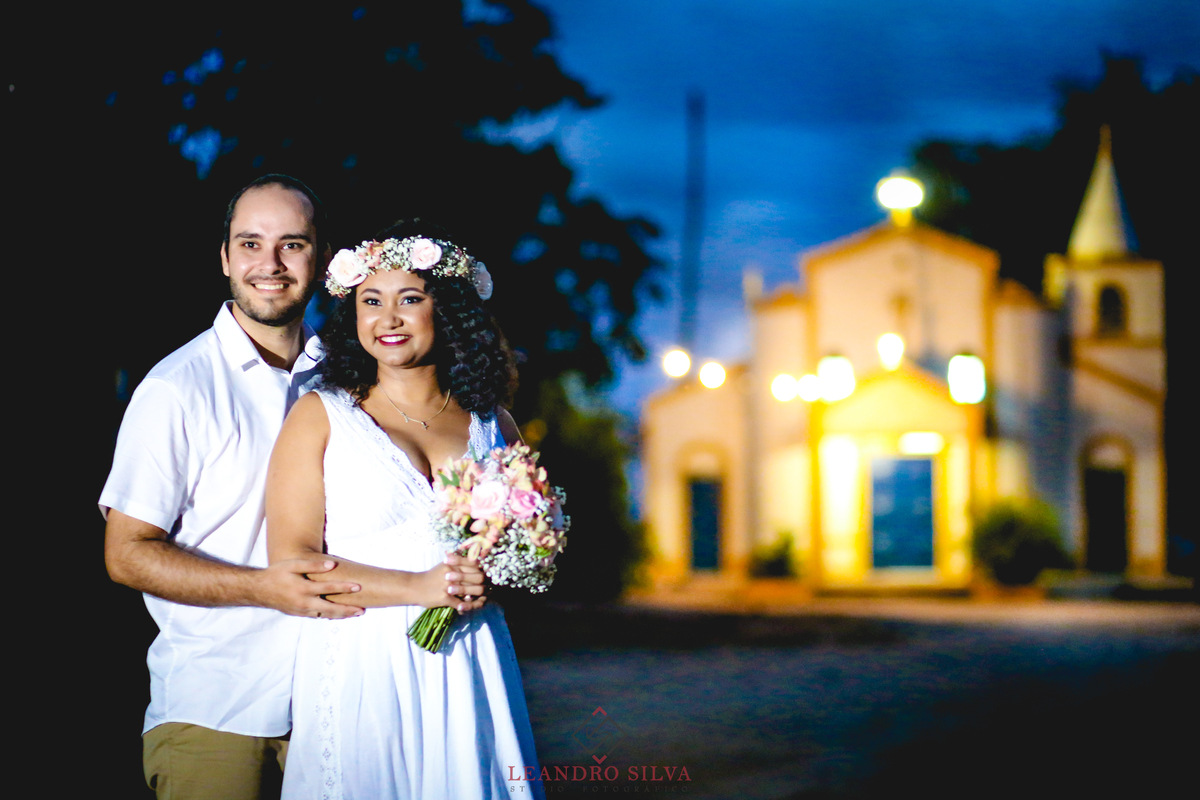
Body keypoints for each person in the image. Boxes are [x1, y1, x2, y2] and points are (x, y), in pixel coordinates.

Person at [100, 176, 487, 800]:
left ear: (322, 259)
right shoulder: (179, 387)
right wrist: (263, 588)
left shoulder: (350, 379)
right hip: (221, 710)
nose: (270, 265)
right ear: (225, 257)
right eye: (250, 244)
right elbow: (126, 552)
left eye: (292, 244)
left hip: (344, 696)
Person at [266, 221, 544, 799]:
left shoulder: (493, 423)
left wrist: (500, 571)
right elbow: (291, 563)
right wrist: (420, 586)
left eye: (409, 299)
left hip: (468, 656)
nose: (387, 319)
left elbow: (523, 547)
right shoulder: (320, 416)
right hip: (362, 661)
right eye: (371, 301)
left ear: (446, 311)